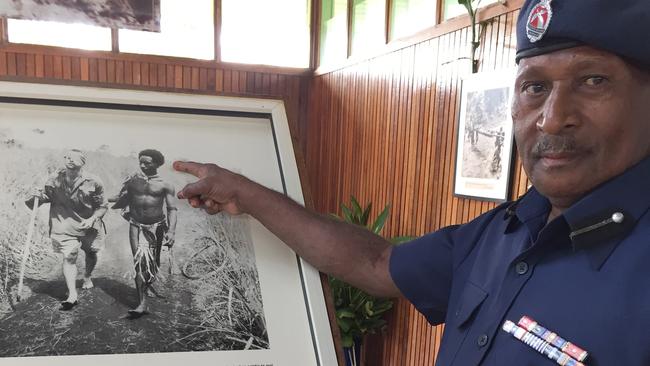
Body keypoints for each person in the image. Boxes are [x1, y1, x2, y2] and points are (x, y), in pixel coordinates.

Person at [173, 0, 650, 364]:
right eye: (535, 87)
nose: (551, 119)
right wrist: (244, 193)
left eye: (593, 81)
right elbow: (375, 262)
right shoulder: (502, 231)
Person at [26, 149, 108, 311]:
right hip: (63, 223)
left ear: (83, 162)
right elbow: (42, 199)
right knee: (69, 256)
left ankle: (87, 276)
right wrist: (35, 197)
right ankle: (72, 295)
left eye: (74, 158)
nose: (69, 160)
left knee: (91, 252)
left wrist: (92, 219)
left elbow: (102, 207)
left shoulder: (94, 181)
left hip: (88, 224)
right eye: (67, 157)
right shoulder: (54, 179)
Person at [110, 149, 177, 318]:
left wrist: (171, 231)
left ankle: (148, 284)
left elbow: (171, 209)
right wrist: (99, 199)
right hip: (136, 226)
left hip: (157, 227)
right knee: (139, 263)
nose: (143, 165)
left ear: (157, 164)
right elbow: (121, 198)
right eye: (140, 162)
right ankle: (142, 304)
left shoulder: (165, 184)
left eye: (147, 162)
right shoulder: (133, 181)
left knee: (154, 264)